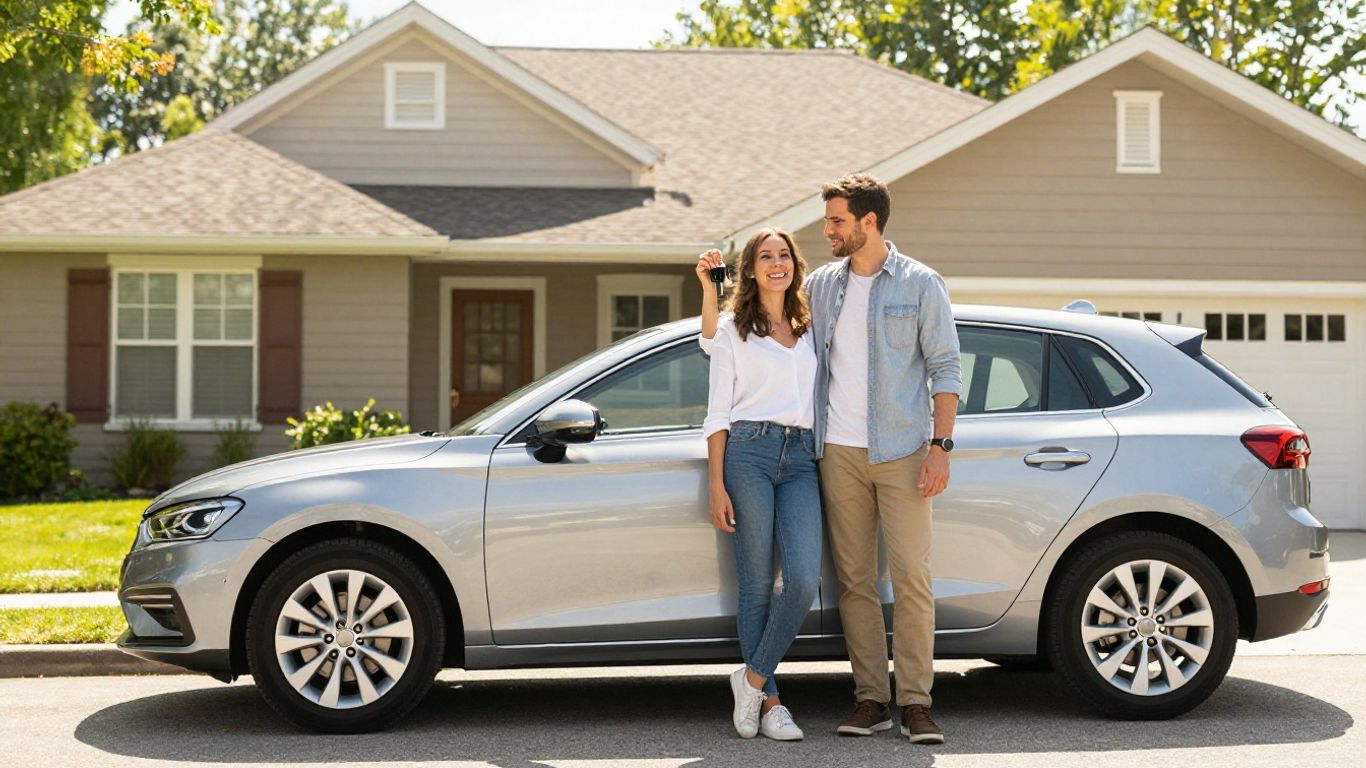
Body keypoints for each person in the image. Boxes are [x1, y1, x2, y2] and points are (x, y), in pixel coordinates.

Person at [700, 174, 961, 744]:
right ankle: (871, 699)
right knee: (854, 583)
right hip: (833, 454)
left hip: (902, 452)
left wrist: (940, 446)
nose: (828, 232)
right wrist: (712, 285)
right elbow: (739, 332)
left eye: (837, 221)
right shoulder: (820, 286)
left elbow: (946, 369)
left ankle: (916, 702)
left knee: (913, 579)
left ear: (868, 222)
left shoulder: (920, 284)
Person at [698, 227, 821, 742]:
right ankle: (770, 703)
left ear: (795, 264)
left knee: (801, 580)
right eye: (766, 256)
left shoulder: (812, 324)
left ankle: (747, 679)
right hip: (747, 453)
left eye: (784, 255)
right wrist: (716, 484)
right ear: (750, 268)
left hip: (801, 459)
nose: (777, 263)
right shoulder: (732, 328)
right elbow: (718, 412)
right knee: (754, 585)